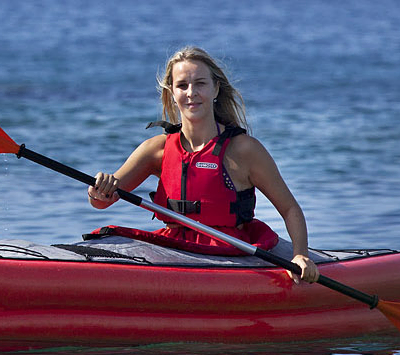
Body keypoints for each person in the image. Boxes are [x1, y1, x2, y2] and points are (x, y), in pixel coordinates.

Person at [86, 46, 319, 283]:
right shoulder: (157, 149)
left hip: (229, 251)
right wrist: (98, 190)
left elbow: (290, 209)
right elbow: (101, 201)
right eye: (182, 85)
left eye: (200, 84)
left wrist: (300, 255)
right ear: (171, 93)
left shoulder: (244, 150)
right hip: (173, 248)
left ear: (216, 88)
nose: (191, 93)